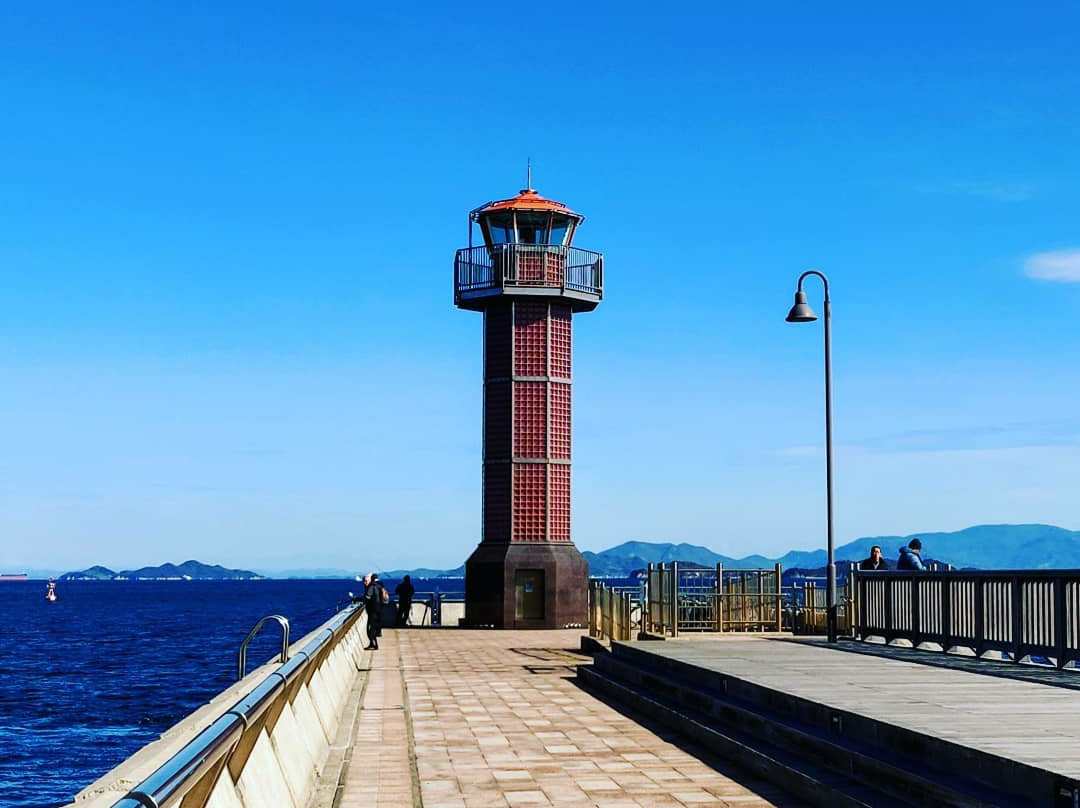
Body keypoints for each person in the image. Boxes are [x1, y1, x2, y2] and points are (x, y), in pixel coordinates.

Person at [363, 573, 388, 650]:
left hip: (372, 610)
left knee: (370, 628)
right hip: (379, 609)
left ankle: (374, 644)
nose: (365, 583)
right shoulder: (380, 586)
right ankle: (374, 642)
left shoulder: (372, 587)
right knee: (374, 626)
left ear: (371, 579)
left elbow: (367, 597)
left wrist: (360, 599)